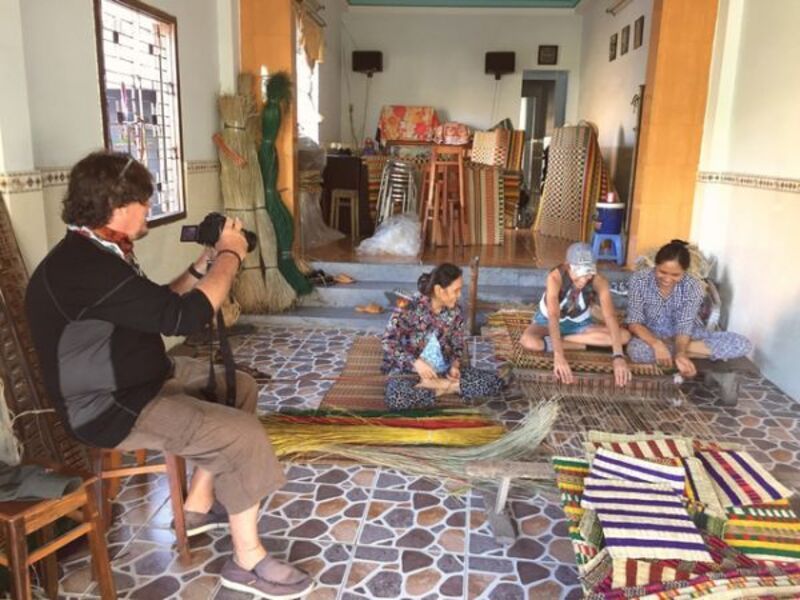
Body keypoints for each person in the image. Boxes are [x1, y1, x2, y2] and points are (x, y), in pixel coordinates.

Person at [25, 152, 313, 599]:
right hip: (109, 407)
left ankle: (198, 505)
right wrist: (231, 257)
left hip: (140, 377)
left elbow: (156, 305)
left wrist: (203, 264)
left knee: (239, 387)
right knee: (241, 434)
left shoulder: (97, 250)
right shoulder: (85, 268)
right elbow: (185, 317)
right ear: (120, 206)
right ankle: (247, 562)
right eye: (145, 201)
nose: (150, 211)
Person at [381, 263, 507, 410]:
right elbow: (388, 341)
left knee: (494, 383)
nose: (459, 295)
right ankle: (452, 388)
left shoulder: (456, 311)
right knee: (397, 399)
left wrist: (454, 365)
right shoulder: (409, 306)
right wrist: (416, 363)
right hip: (409, 371)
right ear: (439, 290)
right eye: (456, 290)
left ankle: (439, 387)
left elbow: (457, 345)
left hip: (442, 372)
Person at [626, 239, 752, 377]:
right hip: (651, 333)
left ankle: (676, 356)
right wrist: (657, 344)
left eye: (675, 275)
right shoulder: (639, 280)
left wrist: (680, 352)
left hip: (685, 335)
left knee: (742, 344)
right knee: (636, 350)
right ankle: (692, 354)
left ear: (684, 272)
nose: (667, 279)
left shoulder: (693, 286)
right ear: (655, 265)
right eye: (662, 272)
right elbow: (634, 322)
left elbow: (684, 326)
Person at [519, 242, 632, 386]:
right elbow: (553, 316)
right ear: (567, 266)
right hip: (547, 322)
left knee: (624, 336)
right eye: (579, 274)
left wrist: (618, 356)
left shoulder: (599, 281)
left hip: (579, 324)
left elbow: (610, 316)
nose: (584, 280)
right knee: (529, 341)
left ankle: (563, 339)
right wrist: (558, 356)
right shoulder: (555, 278)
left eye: (588, 274)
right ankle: (581, 343)